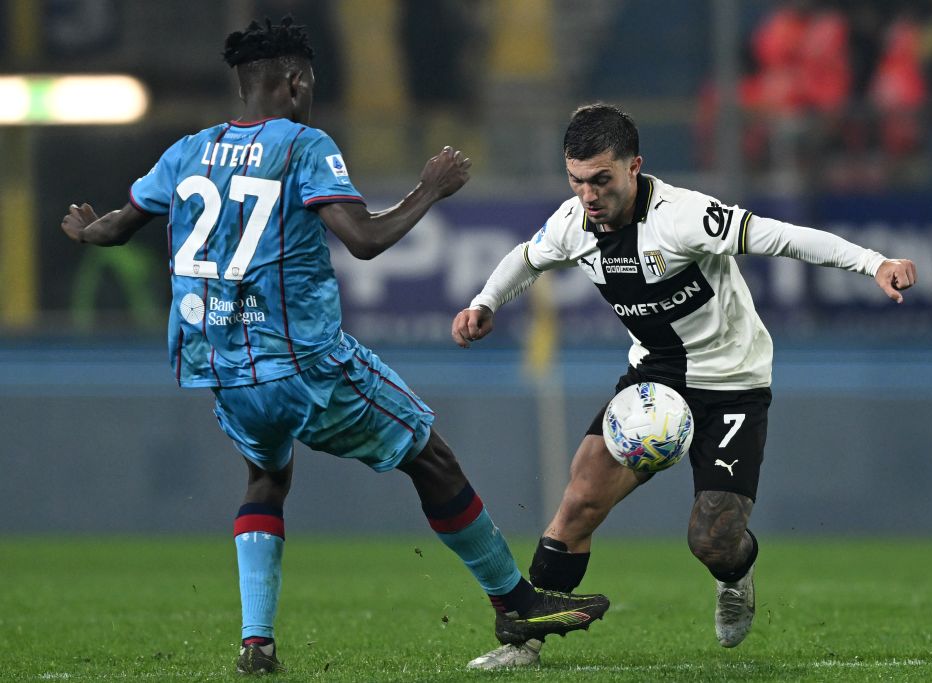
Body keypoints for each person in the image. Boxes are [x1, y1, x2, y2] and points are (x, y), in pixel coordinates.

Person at [59, 18, 609, 676]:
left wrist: (86, 230)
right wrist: (430, 187)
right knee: (430, 456)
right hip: (305, 364)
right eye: (312, 85)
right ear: (295, 82)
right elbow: (364, 239)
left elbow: (118, 227)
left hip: (224, 369)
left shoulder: (188, 151)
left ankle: (257, 642)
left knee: (267, 476)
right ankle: (514, 603)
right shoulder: (303, 146)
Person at [452, 103, 917, 670]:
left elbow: (783, 238)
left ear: (634, 167)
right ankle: (523, 643)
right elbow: (527, 258)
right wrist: (485, 302)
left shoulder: (685, 218)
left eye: (601, 179)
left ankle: (735, 575)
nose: (588, 195)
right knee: (577, 504)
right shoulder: (574, 223)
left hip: (732, 381)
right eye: (576, 181)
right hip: (655, 378)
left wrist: (874, 263)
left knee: (712, 539)